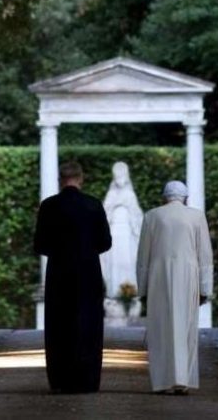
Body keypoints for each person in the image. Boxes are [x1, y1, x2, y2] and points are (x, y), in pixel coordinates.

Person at [33, 161, 112, 393]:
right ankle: (87, 380)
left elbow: (40, 245)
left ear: (61, 179)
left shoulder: (49, 206)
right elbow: (105, 242)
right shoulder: (93, 205)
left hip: (59, 272)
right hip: (88, 272)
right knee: (88, 324)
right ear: (81, 178)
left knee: (59, 325)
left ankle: (60, 380)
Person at [136, 180, 213, 395]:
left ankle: (162, 381)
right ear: (185, 197)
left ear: (165, 197)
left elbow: (143, 257)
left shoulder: (152, 216)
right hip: (188, 277)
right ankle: (183, 380)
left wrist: (142, 289)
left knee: (160, 328)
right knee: (186, 327)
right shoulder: (197, 216)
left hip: (158, 278)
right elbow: (205, 255)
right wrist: (205, 288)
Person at [101, 161, 143, 298]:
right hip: (114, 233)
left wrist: (127, 206)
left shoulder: (130, 195)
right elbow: (104, 216)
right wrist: (114, 205)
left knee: (128, 262)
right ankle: (114, 292)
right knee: (114, 263)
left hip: (127, 233)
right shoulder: (111, 195)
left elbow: (137, 217)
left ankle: (129, 292)